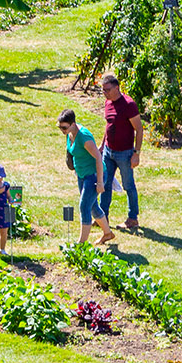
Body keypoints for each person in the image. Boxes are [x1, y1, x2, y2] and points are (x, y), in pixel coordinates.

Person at [60, 108, 116, 245]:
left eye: (64, 127)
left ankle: (81, 244)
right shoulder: (69, 133)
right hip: (82, 174)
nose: (62, 130)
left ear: (73, 124)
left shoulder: (84, 137)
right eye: (60, 127)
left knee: (84, 206)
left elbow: (98, 157)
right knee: (92, 206)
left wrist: (100, 182)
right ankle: (108, 233)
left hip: (94, 174)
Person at [98, 73, 144, 231]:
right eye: (103, 90)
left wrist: (136, 153)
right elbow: (108, 126)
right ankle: (102, 217)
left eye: (108, 90)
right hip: (108, 152)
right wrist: (102, 145)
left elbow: (138, 129)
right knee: (105, 184)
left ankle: (133, 218)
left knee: (128, 185)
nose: (105, 93)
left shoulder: (129, 105)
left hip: (125, 153)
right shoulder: (108, 102)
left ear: (117, 88)